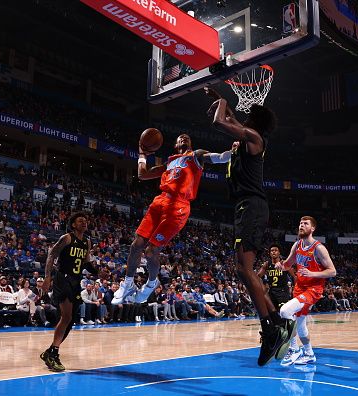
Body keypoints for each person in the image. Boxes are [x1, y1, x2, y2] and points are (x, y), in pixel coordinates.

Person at [205, 87, 292, 366]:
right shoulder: (247, 138)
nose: (240, 119)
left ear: (254, 124)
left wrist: (223, 101)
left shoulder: (254, 138)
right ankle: (278, 322)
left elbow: (220, 121)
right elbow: (231, 120)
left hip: (252, 206)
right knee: (243, 270)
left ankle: (269, 330)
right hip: (246, 208)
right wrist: (217, 95)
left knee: (244, 268)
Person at [112, 135, 232, 305]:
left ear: (190, 143)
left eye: (187, 137)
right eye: (180, 137)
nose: (183, 137)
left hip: (179, 205)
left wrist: (234, 152)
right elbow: (142, 175)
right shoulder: (169, 162)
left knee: (151, 251)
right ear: (175, 144)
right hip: (160, 201)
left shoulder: (196, 156)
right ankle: (128, 283)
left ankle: (151, 283)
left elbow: (220, 158)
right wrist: (142, 155)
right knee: (136, 245)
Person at [277, 216, 336, 366]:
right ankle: (309, 354)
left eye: (305, 224)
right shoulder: (297, 245)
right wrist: (281, 266)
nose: (301, 225)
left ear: (313, 228)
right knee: (301, 323)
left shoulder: (319, 248)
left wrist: (313, 274)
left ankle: (294, 349)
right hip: (299, 288)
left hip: (313, 289)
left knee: (284, 312)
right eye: (300, 223)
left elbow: (332, 271)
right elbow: (288, 265)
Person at [40, 212, 92, 372]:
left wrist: (98, 271)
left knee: (71, 320)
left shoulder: (87, 242)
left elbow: (86, 263)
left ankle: (50, 351)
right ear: (73, 224)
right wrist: (47, 277)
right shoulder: (67, 238)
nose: (84, 222)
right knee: (67, 316)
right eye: (80, 220)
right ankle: (54, 354)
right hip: (63, 278)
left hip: (76, 280)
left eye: (85, 220)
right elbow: (51, 255)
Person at [257, 243, 296, 312]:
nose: (273, 252)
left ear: (279, 252)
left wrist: (294, 288)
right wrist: (264, 282)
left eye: (276, 250)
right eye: (272, 250)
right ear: (269, 253)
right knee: (271, 312)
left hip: (283, 291)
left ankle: (288, 321)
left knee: (283, 311)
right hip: (272, 291)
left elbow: (294, 276)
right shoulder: (267, 264)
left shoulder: (284, 263)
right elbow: (258, 276)